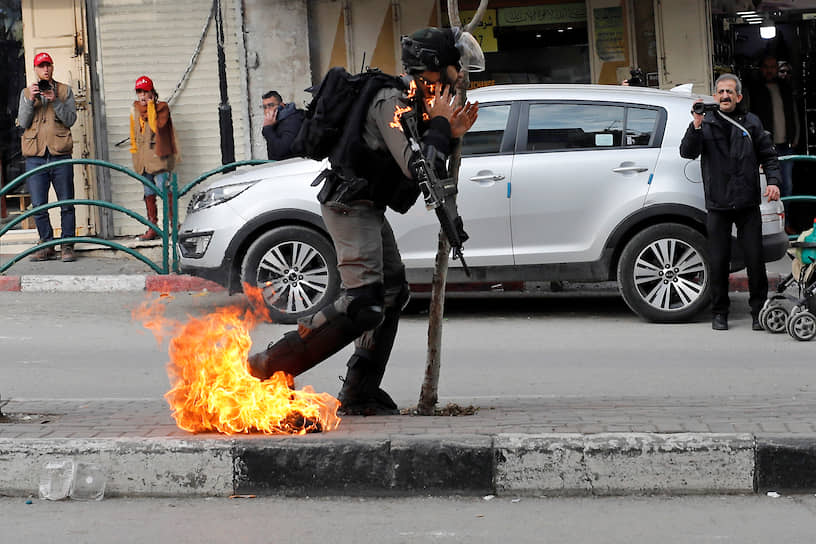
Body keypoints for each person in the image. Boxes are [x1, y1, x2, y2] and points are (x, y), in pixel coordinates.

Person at [247, 27, 479, 414]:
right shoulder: (392, 103)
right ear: (432, 71)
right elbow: (417, 166)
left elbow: (429, 164)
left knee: (391, 293)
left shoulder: (411, 101)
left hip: (367, 206)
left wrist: (449, 132)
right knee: (363, 303)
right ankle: (270, 367)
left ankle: (360, 392)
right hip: (348, 205)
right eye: (453, 72)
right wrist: (441, 126)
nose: (457, 81)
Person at [680, 73, 781, 331]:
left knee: (755, 260)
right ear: (715, 96)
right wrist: (696, 124)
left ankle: (759, 312)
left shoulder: (751, 122)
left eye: (729, 92)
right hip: (718, 204)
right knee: (718, 260)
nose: (725, 96)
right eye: (720, 92)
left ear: (738, 96)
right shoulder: (706, 122)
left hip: (747, 203)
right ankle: (719, 313)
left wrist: (773, 182)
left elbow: (769, 156)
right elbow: (687, 152)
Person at [17, 51, 77, 262]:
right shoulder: (27, 92)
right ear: (35, 69)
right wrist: (29, 100)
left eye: (47, 65)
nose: (45, 69)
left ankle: (67, 246)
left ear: (52, 67)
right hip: (36, 156)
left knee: (66, 203)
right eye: (41, 66)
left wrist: (55, 101)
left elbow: (70, 119)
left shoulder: (64, 91)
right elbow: (23, 123)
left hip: (60, 154)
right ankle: (46, 244)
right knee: (39, 204)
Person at [746, 55, 798, 210]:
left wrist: (796, 136)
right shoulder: (754, 90)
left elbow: (795, 114)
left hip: (786, 144)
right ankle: (772, 223)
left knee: (787, 185)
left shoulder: (786, 88)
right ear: (761, 69)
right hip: (766, 147)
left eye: (773, 67)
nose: (770, 70)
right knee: (768, 187)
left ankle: (785, 222)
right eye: (766, 67)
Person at [129, 75, 177, 241]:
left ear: (152, 92)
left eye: (145, 91)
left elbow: (156, 127)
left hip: (159, 157)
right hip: (142, 160)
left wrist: (150, 106)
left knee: (165, 190)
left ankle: (174, 225)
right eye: (139, 92)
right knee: (148, 193)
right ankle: (153, 227)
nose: (142, 96)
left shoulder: (162, 107)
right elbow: (133, 134)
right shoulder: (134, 109)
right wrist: (135, 154)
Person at [261, 90, 305, 160]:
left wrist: (267, 129)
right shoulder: (276, 122)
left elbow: (282, 151)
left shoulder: (292, 120)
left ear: (281, 105)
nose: (267, 110)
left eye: (271, 105)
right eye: (265, 107)